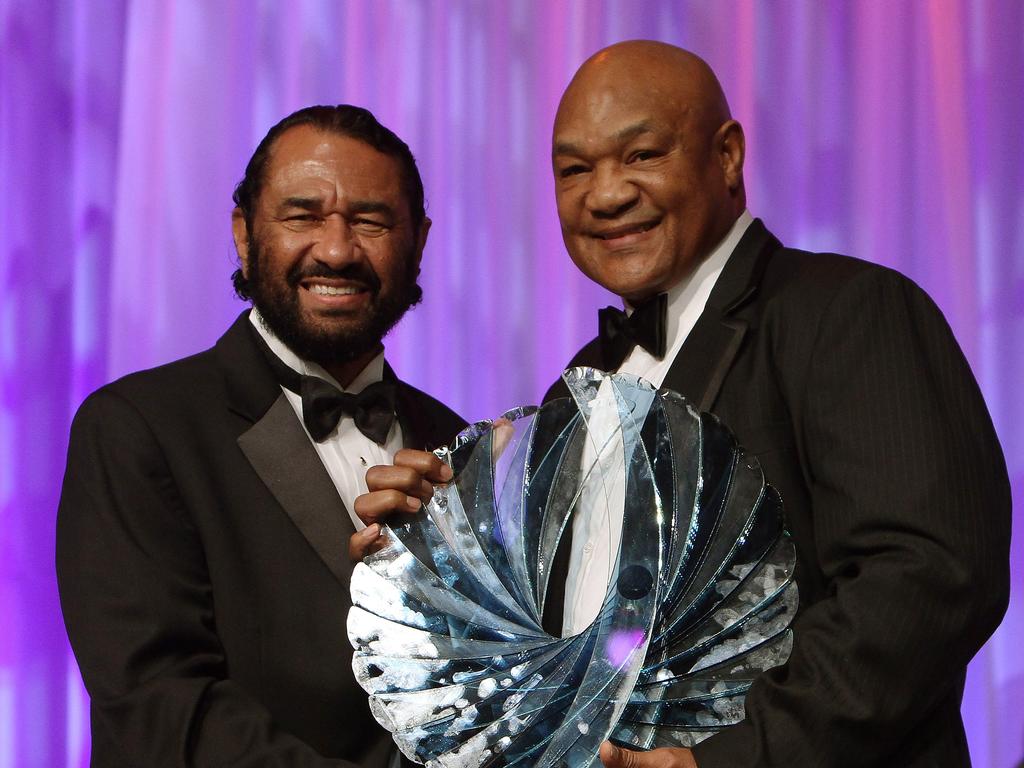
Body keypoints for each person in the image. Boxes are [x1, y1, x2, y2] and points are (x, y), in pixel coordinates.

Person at [353, 42, 1011, 768]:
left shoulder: (849, 311)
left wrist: (727, 761)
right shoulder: (583, 382)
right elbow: (571, 639)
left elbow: (929, 578)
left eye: (640, 155)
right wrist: (437, 569)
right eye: (574, 169)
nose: (605, 194)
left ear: (727, 155)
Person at [56, 104, 465, 766]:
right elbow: (160, 709)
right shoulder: (137, 428)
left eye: (370, 220)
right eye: (303, 215)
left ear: (417, 241)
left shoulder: (453, 440)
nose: (335, 249)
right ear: (244, 235)